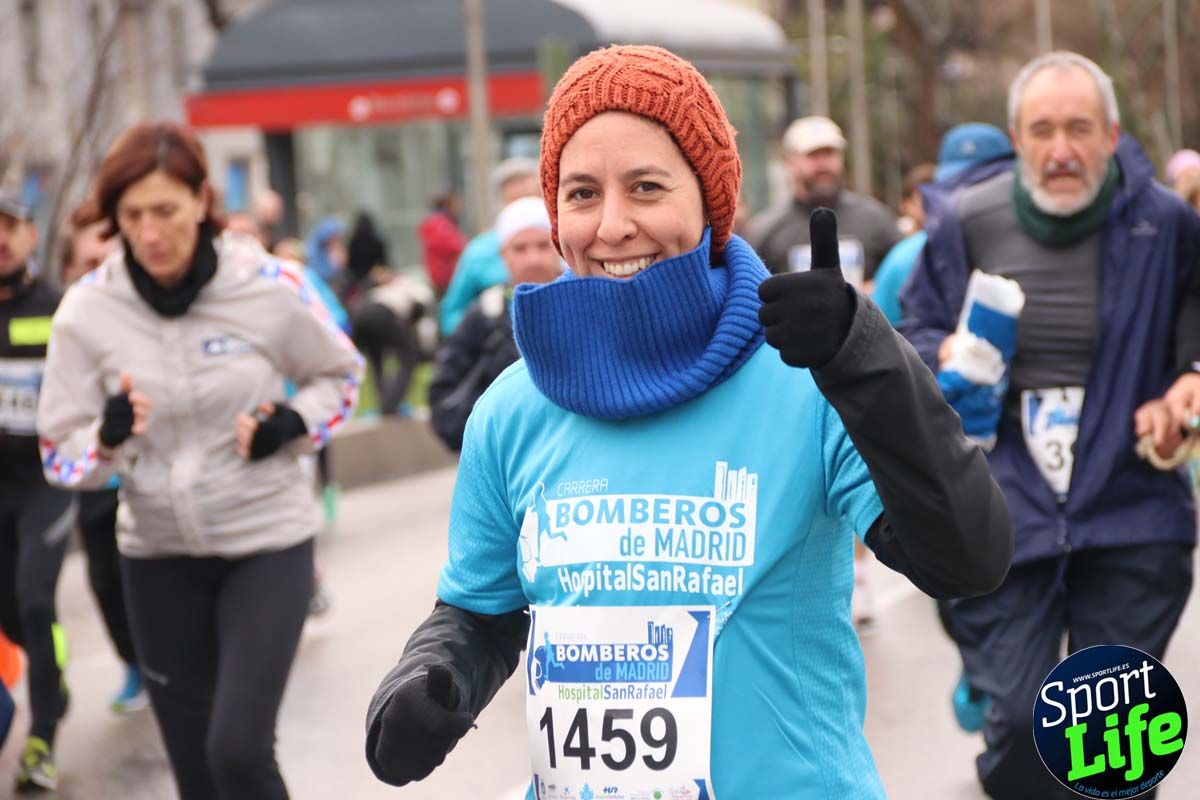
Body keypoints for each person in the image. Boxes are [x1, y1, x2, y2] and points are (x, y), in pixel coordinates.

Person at [364, 44, 1011, 798]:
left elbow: (968, 560)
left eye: (645, 187)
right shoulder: (513, 407)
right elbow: (480, 610)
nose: (611, 226)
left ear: (710, 203)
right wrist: (435, 672)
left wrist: (865, 352)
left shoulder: (807, 377)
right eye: (580, 193)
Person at [901, 52, 1200, 800]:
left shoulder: (1165, 226)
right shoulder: (967, 219)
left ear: (1111, 135)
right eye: (1042, 130)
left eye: (1079, 129)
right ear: (1016, 136)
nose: (1061, 149)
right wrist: (944, 352)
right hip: (1003, 515)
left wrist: (1185, 393)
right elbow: (912, 329)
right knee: (1020, 724)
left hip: (1131, 511)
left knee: (1114, 739)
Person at [36, 121, 363, 800]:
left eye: (165, 210)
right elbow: (60, 459)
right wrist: (106, 438)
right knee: (196, 775)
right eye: (131, 216)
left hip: (266, 543)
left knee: (237, 750)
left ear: (200, 199)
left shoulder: (271, 284)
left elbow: (344, 376)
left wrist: (291, 423)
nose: (151, 234)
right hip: (156, 556)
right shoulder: (86, 313)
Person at [58, 199, 149, 716]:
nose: (102, 276)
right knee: (106, 580)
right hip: (97, 479)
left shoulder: (146, 311)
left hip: (152, 477)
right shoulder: (66, 327)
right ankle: (134, 663)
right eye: (89, 267)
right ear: (70, 270)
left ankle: (167, 664)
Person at [0, 191, 74, 792]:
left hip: (46, 484)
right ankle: (54, 675)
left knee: (34, 598)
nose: (0, 238)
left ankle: (42, 738)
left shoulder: (58, 307)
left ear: (30, 235)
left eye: (10, 226)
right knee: (12, 615)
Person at [429, 196, 563, 451]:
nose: (532, 259)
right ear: (504, 255)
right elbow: (444, 389)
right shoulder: (485, 313)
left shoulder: (584, 301)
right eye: (520, 248)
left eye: (542, 245)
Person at [872, 123, 1014, 326]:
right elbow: (879, 334)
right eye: (957, 184)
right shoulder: (910, 257)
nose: (970, 197)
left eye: (983, 185)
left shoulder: (1036, 244)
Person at [745, 114, 900, 282]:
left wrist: (875, 290)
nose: (824, 165)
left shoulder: (876, 220)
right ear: (789, 162)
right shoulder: (766, 230)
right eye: (813, 155)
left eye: (830, 154)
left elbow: (904, 279)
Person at [438, 158, 541, 335]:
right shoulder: (478, 253)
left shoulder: (567, 247)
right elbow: (451, 314)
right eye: (514, 202)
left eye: (530, 199)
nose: (523, 210)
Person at [417, 192, 467, 298]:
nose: (460, 207)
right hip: (444, 279)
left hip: (443, 277)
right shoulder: (440, 224)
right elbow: (457, 246)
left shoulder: (440, 223)